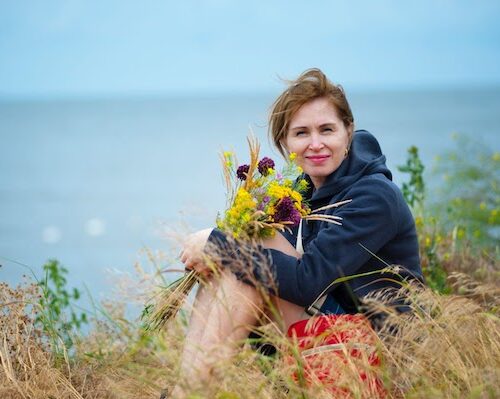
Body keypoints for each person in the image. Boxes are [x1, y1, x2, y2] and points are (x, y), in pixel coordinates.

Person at [172, 68, 423, 396]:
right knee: (242, 258)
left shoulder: (374, 197)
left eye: (327, 130)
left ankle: (190, 391)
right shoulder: (301, 191)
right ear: (284, 142)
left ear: (348, 132)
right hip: (334, 336)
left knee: (245, 257)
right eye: (302, 133)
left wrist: (217, 241)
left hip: (378, 361)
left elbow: (306, 282)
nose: (316, 144)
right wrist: (223, 247)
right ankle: (186, 388)